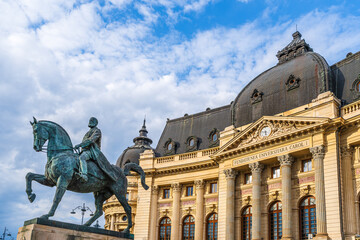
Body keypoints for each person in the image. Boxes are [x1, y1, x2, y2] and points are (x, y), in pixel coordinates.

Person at [74, 117, 118, 182]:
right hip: (85, 150)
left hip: (92, 151)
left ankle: (84, 175)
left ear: (95, 123)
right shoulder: (88, 132)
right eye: (90, 120)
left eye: (91, 121)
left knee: (82, 158)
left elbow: (91, 140)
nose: (90, 122)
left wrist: (80, 145)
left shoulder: (97, 131)